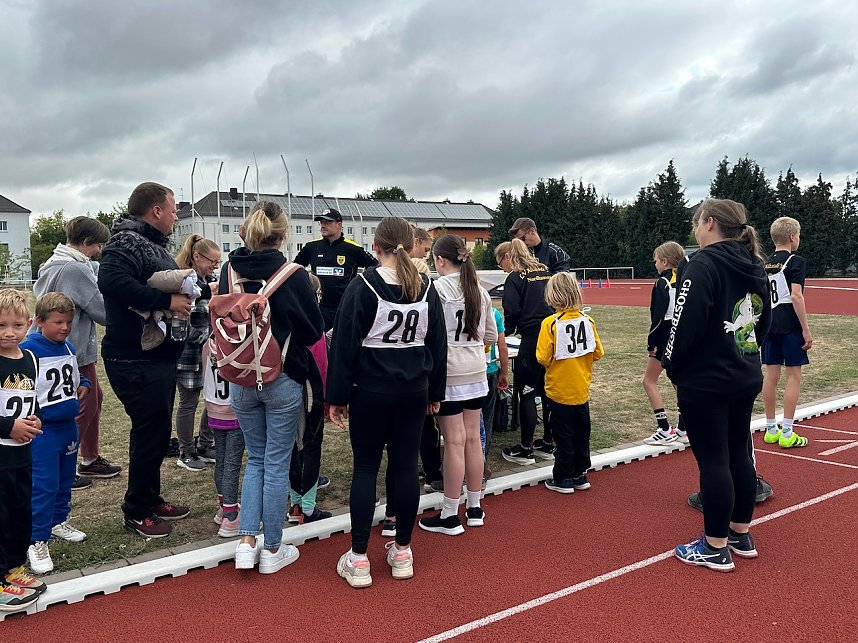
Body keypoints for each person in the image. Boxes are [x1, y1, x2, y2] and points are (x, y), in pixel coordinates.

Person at [328, 216, 446, 588]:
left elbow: (344, 345)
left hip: (371, 391)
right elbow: (438, 345)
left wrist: (337, 397)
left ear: (375, 246)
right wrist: (435, 392)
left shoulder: (363, 285)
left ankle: (359, 558)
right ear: (410, 246)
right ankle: (402, 551)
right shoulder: (425, 287)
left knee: (366, 468)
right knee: (406, 466)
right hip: (413, 391)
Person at [663, 198, 771, 573]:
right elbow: (763, 322)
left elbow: (684, 324)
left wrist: (673, 367)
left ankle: (714, 547)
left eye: (696, 223)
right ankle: (740, 534)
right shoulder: (755, 264)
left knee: (713, 461)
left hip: (707, 379)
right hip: (745, 373)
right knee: (738, 452)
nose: (695, 230)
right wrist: (745, 355)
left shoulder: (701, 264)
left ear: (709, 223)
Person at [222, 201, 323, 575]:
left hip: (239, 375)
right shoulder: (292, 274)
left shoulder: (229, 270)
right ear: (283, 234)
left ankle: (247, 542)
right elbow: (313, 330)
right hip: (281, 375)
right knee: (277, 462)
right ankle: (273, 547)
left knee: (257, 459)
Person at [98, 182, 192, 538]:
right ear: (156, 211)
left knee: (157, 433)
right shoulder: (125, 241)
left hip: (155, 357)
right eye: (173, 210)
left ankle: (151, 499)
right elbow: (111, 282)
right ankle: (137, 511)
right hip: (133, 358)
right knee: (149, 433)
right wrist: (167, 302)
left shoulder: (149, 243)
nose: (175, 217)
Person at [33, 216, 121, 487]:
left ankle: (89, 457)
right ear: (86, 242)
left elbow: (92, 269)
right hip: (71, 349)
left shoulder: (54, 262)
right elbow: (100, 309)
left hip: (53, 347)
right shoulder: (75, 269)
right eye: (97, 245)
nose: (98, 251)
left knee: (94, 398)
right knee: (84, 403)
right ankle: (67, 463)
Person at [419, 234, 497, 535]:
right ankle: (475, 507)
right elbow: (490, 335)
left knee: (453, 441)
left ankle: (450, 513)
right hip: (475, 370)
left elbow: (427, 331)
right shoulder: (480, 290)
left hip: (449, 372)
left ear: (440, 260)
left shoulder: (437, 288)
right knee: (473, 439)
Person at [21, 293, 91, 574]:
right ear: (39, 322)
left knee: (65, 480)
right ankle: (36, 538)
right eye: (58, 322)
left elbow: (74, 376)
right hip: (44, 431)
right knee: (44, 484)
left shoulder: (68, 347)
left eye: (68, 322)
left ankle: (58, 521)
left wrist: (84, 383)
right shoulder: (28, 349)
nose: (65, 327)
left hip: (68, 427)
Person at [537, 273, 604, 493]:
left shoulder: (550, 323)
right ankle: (580, 473)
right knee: (582, 433)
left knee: (562, 434)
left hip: (559, 390)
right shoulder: (588, 321)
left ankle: (563, 477)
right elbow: (598, 352)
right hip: (581, 389)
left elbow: (542, 357)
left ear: (552, 296)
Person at [0, 290, 46, 612]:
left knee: (19, 513)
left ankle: (14, 567)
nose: (9, 332)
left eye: (17, 325)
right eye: (1, 325)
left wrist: (36, 418)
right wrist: (9, 427)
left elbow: (32, 400)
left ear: (28, 324)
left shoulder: (30, 358)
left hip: (22, 455)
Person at [495, 239, 554, 465]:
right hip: (552, 335)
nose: (502, 269)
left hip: (531, 339)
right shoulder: (545, 271)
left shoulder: (515, 277)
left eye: (500, 263)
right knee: (549, 391)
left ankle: (526, 449)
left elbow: (511, 309)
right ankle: (549, 443)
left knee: (527, 392)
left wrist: (507, 330)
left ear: (508, 257)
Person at [761, 216, 813, 449]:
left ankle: (771, 428)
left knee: (771, 375)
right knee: (793, 376)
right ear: (792, 237)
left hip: (768, 325)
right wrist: (805, 329)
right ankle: (788, 431)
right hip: (789, 325)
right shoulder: (796, 261)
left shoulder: (764, 263)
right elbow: (796, 296)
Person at [173, 235, 221, 472]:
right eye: (213, 261)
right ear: (197, 257)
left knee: (212, 399)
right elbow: (180, 324)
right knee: (189, 403)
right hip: (190, 353)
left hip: (211, 354)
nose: (216, 266)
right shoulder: (184, 283)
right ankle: (186, 451)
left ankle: (205, 443)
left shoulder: (210, 282)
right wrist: (205, 337)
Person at [288, 274, 332, 525]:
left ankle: (295, 502)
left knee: (292, 446)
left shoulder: (285, 317)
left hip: (286, 390)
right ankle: (307, 507)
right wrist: (326, 401)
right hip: (311, 393)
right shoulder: (315, 325)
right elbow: (322, 367)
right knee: (311, 446)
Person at [294, 208, 378, 331]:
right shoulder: (311, 247)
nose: (323, 225)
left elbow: (375, 267)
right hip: (318, 308)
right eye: (321, 222)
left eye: (327, 222)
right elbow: (295, 268)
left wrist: (362, 290)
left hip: (344, 308)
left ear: (339, 225)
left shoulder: (352, 248)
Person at [642, 241, 689, 445]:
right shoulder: (687, 278)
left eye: (655, 261)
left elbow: (658, 317)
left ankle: (664, 428)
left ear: (664, 261)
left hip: (664, 338)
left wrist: (652, 343)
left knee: (649, 381)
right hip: (683, 337)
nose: (655, 265)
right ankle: (684, 428)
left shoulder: (662, 283)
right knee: (678, 381)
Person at [202, 338, 245, 538]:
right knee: (231, 464)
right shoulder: (236, 344)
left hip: (213, 408)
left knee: (221, 460)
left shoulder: (208, 344)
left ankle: (224, 506)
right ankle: (231, 515)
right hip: (234, 410)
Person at [481, 303, 509, 464]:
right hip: (489, 369)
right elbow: (502, 346)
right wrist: (504, 372)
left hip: (466, 370)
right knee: (487, 417)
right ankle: (482, 459)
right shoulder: (493, 312)